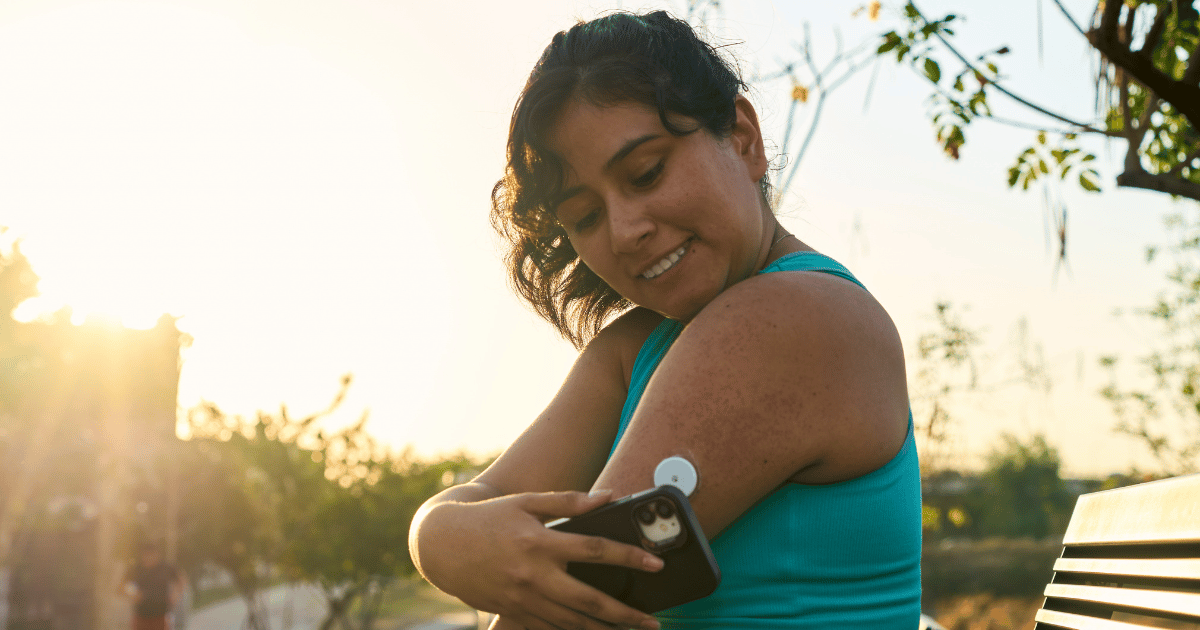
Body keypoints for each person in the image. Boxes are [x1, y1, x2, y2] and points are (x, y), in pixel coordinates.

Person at [409, 10, 921, 629]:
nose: (625, 232)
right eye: (585, 217)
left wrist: (461, 545)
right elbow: (483, 499)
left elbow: (564, 607)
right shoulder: (635, 347)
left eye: (646, 173)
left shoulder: (794, 318)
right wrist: (438, 534)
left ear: (742, 138)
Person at [121, 540, 183, 630]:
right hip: (141, 617)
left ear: (157, 554)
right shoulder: (136, 568)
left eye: (152, 554)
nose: (149, 558)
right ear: (142, 555)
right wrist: (133, 593)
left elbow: (181, 580)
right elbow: (122, 586)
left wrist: (175, 594)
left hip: (161, 616)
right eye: (146, 554)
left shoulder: (165, 567)